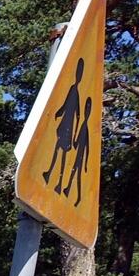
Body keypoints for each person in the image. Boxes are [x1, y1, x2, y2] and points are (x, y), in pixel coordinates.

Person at [42, 58, 86, 190]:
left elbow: (78, 115)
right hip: (65, 126)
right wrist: (58, 113)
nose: (77, 75)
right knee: (57, 151)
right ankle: (50, 174)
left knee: (62, 155)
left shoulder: (76, 92)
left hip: (68, 128)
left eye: (79, 72)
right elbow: (65, 105)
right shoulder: (73, 89)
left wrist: (74, 136)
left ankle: (59, 182)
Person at [65, 97, 93, 204]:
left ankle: (78, 197)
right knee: (74, 173)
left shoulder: (86, 128)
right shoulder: (83, 125)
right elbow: (77, 143)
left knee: (77, 176)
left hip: (80, 157)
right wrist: (74, 142)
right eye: (86, 108)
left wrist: (85, 163)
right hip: (77, 155)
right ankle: (68, 190)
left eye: (88, 109)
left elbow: (88, 147)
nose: (86, 111)